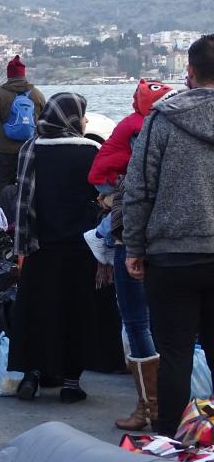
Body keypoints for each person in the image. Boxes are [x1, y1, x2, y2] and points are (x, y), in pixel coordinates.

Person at [123, 34, 214, 436]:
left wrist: (135, 247)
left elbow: (139, 188)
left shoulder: (161, 120)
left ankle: (170, 440)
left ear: (189, 71)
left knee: (174, 355)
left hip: (171, 256)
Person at [9, 93, 116, 404]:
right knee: (77, 313)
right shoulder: (92, 152)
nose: (84, 121)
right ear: (71, 118)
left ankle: (32, 375)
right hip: (82, 249)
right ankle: (71, 382)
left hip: (41, 246)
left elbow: (23, 201)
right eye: (82, 115)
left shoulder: (32, 148)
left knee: (39, 311)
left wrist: (22, 246)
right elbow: (105, 196)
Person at [89, 79, 174, 431]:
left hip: (134, 239)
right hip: (174, 241)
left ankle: (149, 408)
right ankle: (173, 406)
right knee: (171, 326)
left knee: (137, 322)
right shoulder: (173, 128)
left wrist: (114, 212)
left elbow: (136, 187)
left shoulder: (139, 128)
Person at [0, 55, 46, 194]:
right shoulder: (37, 95)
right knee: (29, 189)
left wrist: (0, 131)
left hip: (4, 151)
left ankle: (2, 214)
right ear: (24, 74)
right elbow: (44, 120)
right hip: (29, 150)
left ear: (9, 75)